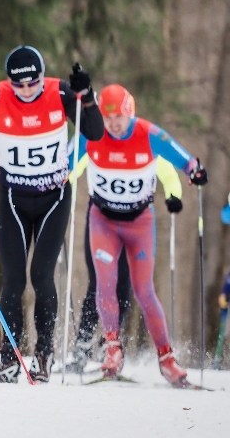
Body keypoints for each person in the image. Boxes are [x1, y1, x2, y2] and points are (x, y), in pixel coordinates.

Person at [0, 46, 103, 383]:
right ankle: (9, 358)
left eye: (32, 83)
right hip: (13, 200)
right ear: (9, 81)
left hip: (54, 198)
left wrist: (87, 96)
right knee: (13, 280)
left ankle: (43, 354)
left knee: (41, 276)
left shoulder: (59, 92)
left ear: (42, 77)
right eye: (19, 84)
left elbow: (94, 132)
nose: (26, 90)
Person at [69, 84, 206, 385]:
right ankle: (112, 349)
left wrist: (194, 170)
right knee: (105, 284)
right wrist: (58, 179)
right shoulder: (91, 134)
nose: (114, 123)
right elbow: (66, 163)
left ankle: (167, 359)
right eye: (108, 118)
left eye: (119, 116)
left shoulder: (148, 133)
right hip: (103, 221)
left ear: (130, 112)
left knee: (144, 291)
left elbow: (183, 159)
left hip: (139, 223)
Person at [65, 155, 184, 372]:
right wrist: (65, 186)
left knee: (123, 286)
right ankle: (82, 348)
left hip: (134, 222)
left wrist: (173, 195)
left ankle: (110, 347)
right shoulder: (98, 140)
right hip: (101, 220)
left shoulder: (142, 141)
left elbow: (168, 174)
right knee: (99, 283)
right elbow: (74, 163)